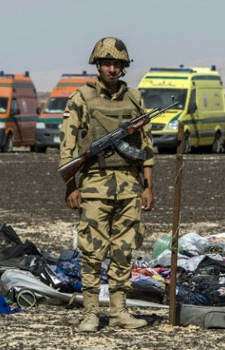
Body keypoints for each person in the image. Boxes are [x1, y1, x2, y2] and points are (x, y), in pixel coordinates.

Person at [59, 37, 154, 332]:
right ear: (98, 65)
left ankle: (119, 311)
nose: (112, 69)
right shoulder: (81, 98)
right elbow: (68, 147)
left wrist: (148, 187)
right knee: (92, 251)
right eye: (107, 63)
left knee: (124, 250)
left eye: (117, 64)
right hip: (94, 187)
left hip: (129, 186)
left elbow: (146, 148)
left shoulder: (135, 99)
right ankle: (90, 312)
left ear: (124, 67)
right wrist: (71, 186)